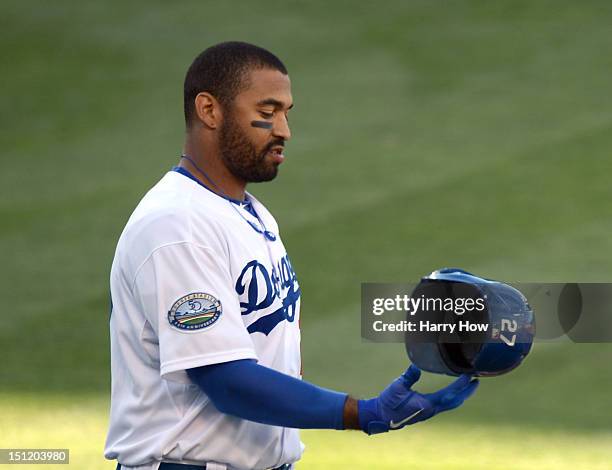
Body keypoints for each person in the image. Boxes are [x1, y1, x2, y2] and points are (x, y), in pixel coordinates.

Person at [104, 41, 479, 470]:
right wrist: (363, 412)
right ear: (209, 110)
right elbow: (228, 381)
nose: (284, 130)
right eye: (267, 111)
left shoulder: (250, 215)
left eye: (286, 112)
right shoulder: (177, 225)